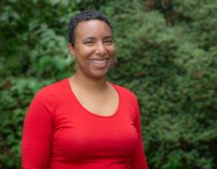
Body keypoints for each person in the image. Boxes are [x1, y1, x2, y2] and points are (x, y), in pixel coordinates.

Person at [21, 10, 148, 169]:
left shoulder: (128, 98)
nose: (101, 50)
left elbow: (139, 165)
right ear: (72, 49)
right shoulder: (48, 100)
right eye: (90, 42)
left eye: (107, 41)